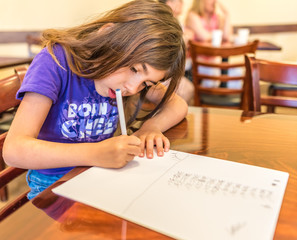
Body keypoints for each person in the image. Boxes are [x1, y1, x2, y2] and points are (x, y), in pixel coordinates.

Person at [3, 0, 188, 200]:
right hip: (52, 187)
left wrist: (150, 128)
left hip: (99, 176)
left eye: (147, 84)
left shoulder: (126, 83)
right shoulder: (55, 62)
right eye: (134, 69)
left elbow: (178, 105)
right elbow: (14, 150)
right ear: (107, 35)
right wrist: (96, 153)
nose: (133, 89)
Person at [158, 0, 195, 104]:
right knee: (188, 88)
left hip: (174, 70)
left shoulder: (176, 22)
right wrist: (184, 40)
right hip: (162, 73)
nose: (182, 4)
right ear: (170, 3)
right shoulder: (163, 22)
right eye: (180, 1)